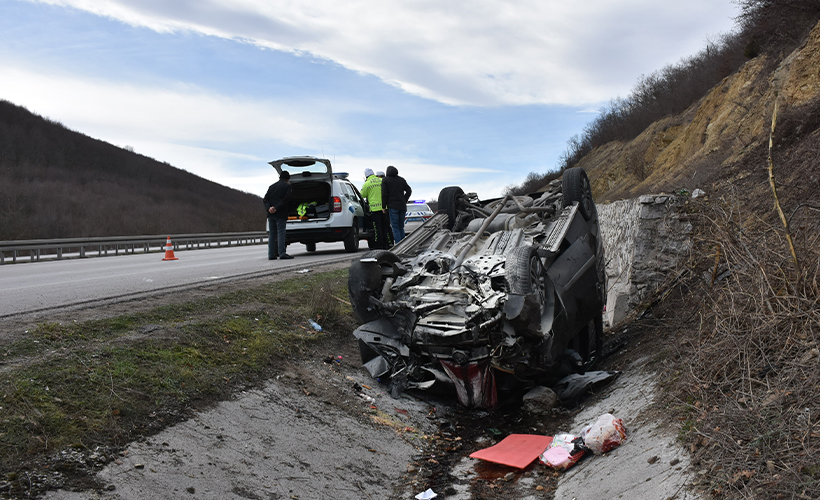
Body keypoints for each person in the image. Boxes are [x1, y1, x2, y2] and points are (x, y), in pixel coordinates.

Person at [263, 171, 293, 260]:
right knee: (281, 233)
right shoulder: (287, 186)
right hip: (280, 214)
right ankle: (282, 253)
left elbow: (265, 199)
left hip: (270, 214)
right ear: (287, 179)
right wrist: (276, 208)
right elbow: (286, 200)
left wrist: (269, 208)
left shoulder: (271, 187)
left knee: (272, 235)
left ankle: (271, 254)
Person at [381, 165, 412, 243]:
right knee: (401, 227)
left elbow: (384, 194)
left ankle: (398, 245)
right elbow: (409, 190)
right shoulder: (401, 180)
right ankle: (404, 244)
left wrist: (383, 206)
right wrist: (404, 200)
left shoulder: (385, 180)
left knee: (395, 227)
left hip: (392, 206)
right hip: (402, 206)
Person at [360, 168, 387, 249]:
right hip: (384, 208)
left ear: (366, 176)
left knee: (377, 228)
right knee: (385, 227)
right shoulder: (381, 180)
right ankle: (386, 244)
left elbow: (362, 195)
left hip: (374, 210)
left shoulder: (367, 184)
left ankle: (379, 245)